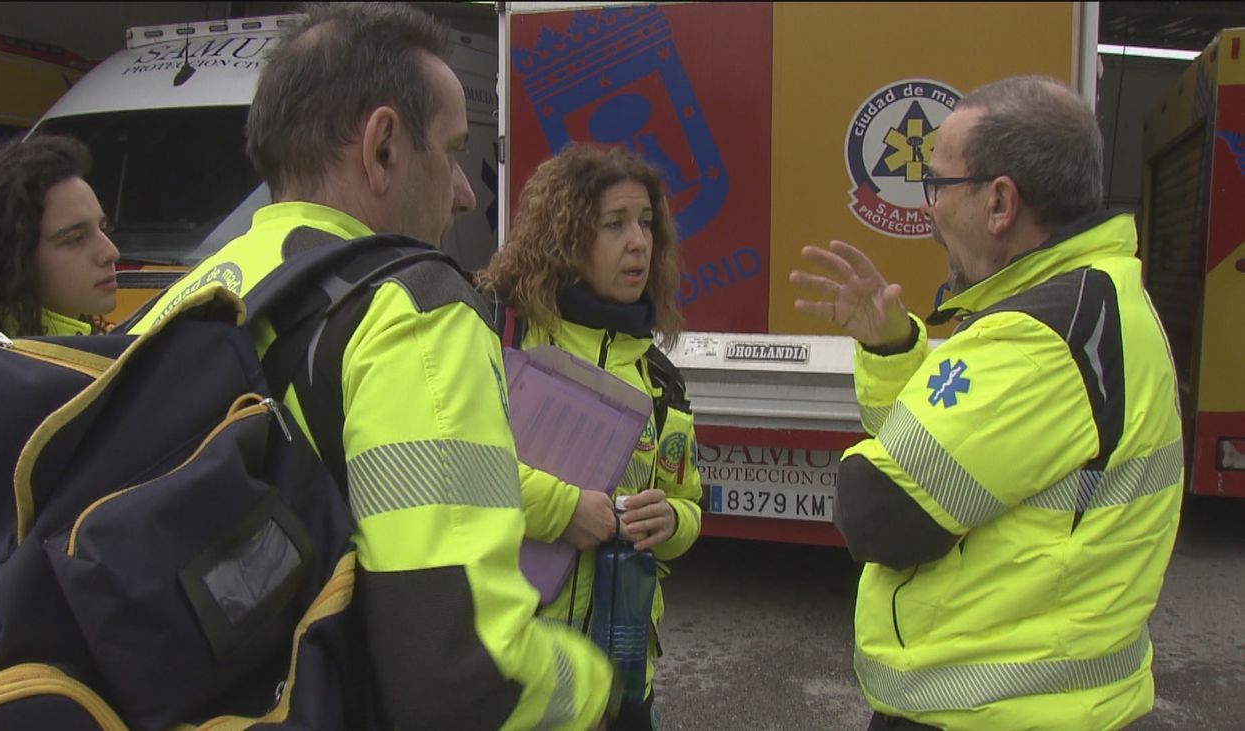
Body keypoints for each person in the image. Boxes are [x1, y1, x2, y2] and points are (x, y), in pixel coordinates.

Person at [127, 4, 615, 729]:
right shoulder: (410, 306)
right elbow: (466, 674)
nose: (465, 193)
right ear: (383, 148)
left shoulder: (179, 301)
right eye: (452, 151)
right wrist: (600, 690)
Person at [790, 75, 1183, 730]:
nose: (929, 214)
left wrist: (867, 463)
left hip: (996, 712)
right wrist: (892, 351)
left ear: (999, 202)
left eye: (937, 186)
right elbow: (957, 461)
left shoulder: (1038, 337)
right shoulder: (1100, 294)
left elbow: (881, 512)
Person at [479, 143, 704, 731]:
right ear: (567, 239)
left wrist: (671, 521)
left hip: (621, 679)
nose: (639, 243)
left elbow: (688, 502)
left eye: (646, 224)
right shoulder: (504, 338)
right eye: (614, 225)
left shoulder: (660, 380)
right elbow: (456, 470)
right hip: (516, 673)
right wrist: (563, 510)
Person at [0, 134, 118, 367]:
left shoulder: (102, 340)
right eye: (76, 238)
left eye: (103, 228)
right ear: (9, 256)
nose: (111, 252)